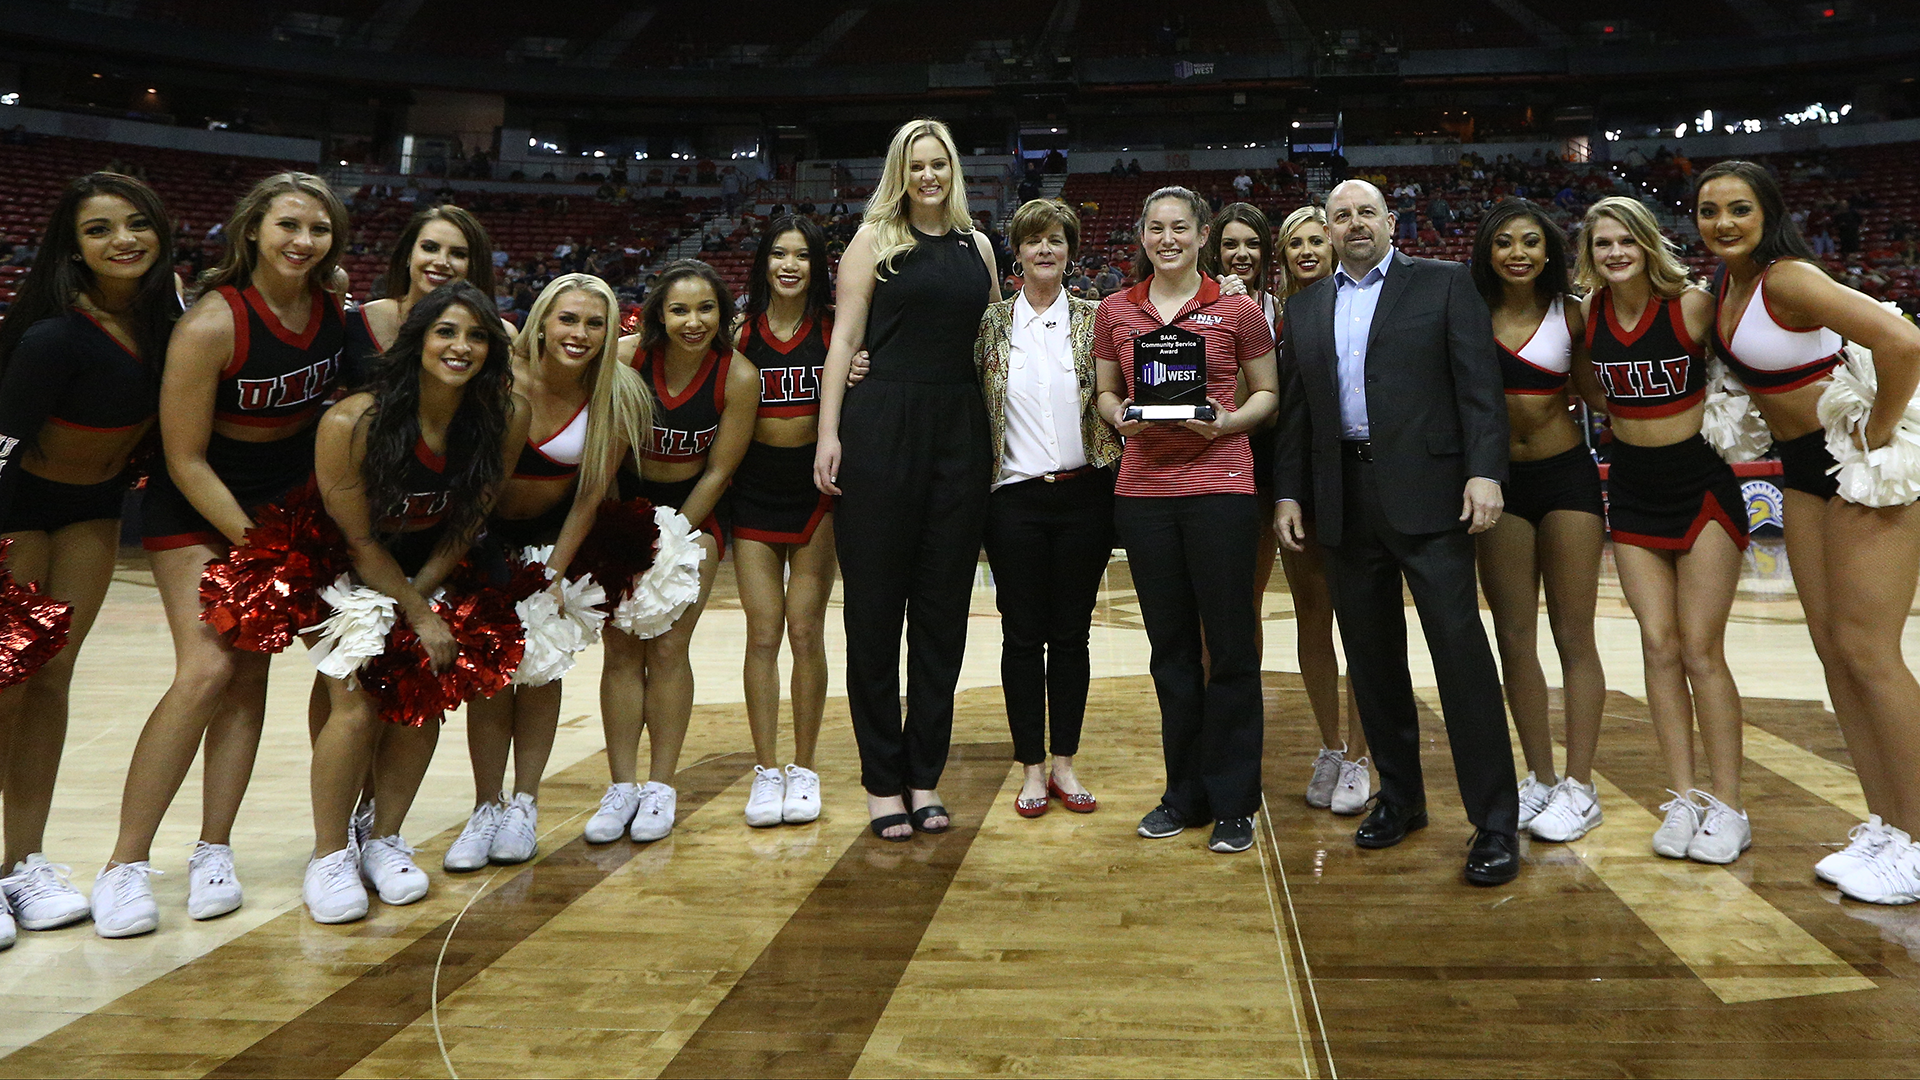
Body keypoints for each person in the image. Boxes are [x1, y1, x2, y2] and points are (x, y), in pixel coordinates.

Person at [92, 173, 351, 938]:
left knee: (252, 669)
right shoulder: (211, 323)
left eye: (319, 229)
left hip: (287, 502)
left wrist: (290, 531)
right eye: (288, 226)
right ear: (252, 231)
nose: (303, 241)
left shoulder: (332, 311)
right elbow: (183, 457)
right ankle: (125, 864)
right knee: (206, 669)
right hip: (200, 503)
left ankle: (214, 850)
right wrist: (257, 545)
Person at [1273, 179, 1520, 886]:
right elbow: (1298, 412)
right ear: (1327, 227)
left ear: (1390, 221)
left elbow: (1480, 389)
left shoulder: (1442, 285)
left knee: (1461, 661)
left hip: (1433, 495)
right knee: (1373, 662)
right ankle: (1402, 799)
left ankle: (1494, 823)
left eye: (1365, 213)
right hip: (1343, 499)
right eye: (1340, 215)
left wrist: (1484, 472)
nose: (1353, 225)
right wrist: (1289, 491)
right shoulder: (1307, 304)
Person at [1695, 161, 1920, 901]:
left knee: (1869, 651)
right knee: (1833, 654)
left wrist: (1876, 433)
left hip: (1859, 471)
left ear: (1768, 213)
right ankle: (1887, 825)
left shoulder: (1787, 278)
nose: (1723, 222)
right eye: (1708, 210)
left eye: (1738, 209)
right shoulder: (1729, 288)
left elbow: (1901, 343)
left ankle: (1919, 840)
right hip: (1802, 471)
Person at [304, 282, 528, 923]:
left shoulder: (497, 418)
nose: (461, 347)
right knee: (353, 701)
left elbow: (465, 523)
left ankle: (384, 838)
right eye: (446, 332)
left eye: (477, 336)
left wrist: (425, 599)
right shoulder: (352, 422)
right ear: (417, 340)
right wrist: (418, 612)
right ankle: (328, 855)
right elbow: (358, 539)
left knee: (421, 685)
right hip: (341, 566)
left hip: (426, 565)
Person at [0, 174, 176, 940]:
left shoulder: (168, 324)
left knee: (52, 681)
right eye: (99, 229)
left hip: (94, 512)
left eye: (136, 223)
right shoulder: (51, 336)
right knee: (5, 683)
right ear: (73, 247)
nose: (122, 240)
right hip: (15, 508)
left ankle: (24, 863)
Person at [813, 118, 999, 841]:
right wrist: (830, 432)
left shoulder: (978, 247)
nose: (928, 175)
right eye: (916, 165)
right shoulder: (873, 242)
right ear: (901, 171)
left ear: (953, 171)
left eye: (938, 164)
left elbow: (993, 349)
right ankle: (881, 781)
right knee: (874, 613)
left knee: (942, 617)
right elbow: (844, 342)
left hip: (958, 432)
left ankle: (925, 775)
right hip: (882, 426)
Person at [1094, 185, 1277, 855]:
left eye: (1180, 227)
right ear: (1142, 237)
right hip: (1143, 494)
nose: (1166, 238)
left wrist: (1227, 423)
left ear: (1203, 234)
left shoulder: (1237, 310)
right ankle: (1184, 792)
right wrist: (1122, 417)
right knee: (1170, 652)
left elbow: (1268, 395)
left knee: (1229, 649)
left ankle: (1235, 800)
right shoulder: (1116, 310)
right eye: (1155, 228)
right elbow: (1107, 392)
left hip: (1222, 488)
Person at [444, 274, 648, 871]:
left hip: (551, 544)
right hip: (480, 538)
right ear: (541, 321)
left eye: (594, 323)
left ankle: (525, 804)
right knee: (490, 677)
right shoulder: (501, 377)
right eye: (567, 319)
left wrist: (551, 574)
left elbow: (588, 497)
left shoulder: (617, 391)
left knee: (539, 671)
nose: (579, 334)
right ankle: (486, 805)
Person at [1575, 195, 1750, 863]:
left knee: (1701, 649)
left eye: (1624, 241)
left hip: (1701, 487)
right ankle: (1683, 799)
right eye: (1601, 244)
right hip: (1634, 489)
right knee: (1657, 646)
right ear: (1589, 255)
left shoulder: (1693, 306)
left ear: (1647, 242)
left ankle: (1729, 806)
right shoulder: (1587, 315)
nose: (1614, 253)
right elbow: (1589, 387)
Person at [586, 260, 756, 843]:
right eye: (679, 309)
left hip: (696, 510)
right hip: (624, 502)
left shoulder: (737, 376)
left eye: (705, 309)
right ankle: (621, 785)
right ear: (659, 312)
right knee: (620, 647)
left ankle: (661, 785)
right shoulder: (628, 358)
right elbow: (603, 453)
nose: (693, 321)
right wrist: (618, 528)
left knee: (668, 645)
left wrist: (673, 538)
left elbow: (720, 470)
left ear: (722, 314)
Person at [1469, 199, 1608, 843]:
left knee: (1573, 633)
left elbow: (1596, 393)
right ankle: (1541, 776)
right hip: (1497, 486)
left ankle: (1581, 785)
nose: (1518, 252)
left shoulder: (1572, 313)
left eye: (1530, 241)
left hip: (1566, 478)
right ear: (1488, 253)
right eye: (1504, 243)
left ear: (1549, 250)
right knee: (1514, 637)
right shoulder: (1466, 313)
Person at [977, 199, 1120, 819]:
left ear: (1070, 251)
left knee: (1072, 633)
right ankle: (1030, 767)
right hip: (1012, 499)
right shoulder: (989, 325)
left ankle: (1065, 760)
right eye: (1033, 240)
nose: (1044, 249)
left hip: (1085, 493)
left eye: (1055, 240)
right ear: (1018, 251)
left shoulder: (1098, 317)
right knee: (1020, 632)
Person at [1262, 206, 1370, 813]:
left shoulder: (1363, 309)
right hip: (1296, 481)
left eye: (1314, 240)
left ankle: (1361, 755)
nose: (1306, 251)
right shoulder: (1272, 318)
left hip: (1356, 480)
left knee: (1362, 623)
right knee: (1312, 618)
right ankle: (1331, 746)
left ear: (1333, 243)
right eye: (1293, 243)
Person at [730, 217, 837, 828]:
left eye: (801, 255)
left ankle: (804, 767)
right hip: (752, 496)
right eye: (778, 253)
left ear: (817, 265)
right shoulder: (740, 333)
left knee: (804, 631)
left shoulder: (833, 330)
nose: (789, 265)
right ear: (764, 262)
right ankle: (766, 771)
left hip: (814, 495)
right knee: (762, 632)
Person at [345, 205, 503, 381]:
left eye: (458, 254)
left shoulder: (500, 335)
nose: (441, 262)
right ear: (408, 254)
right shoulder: (357, 321)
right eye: (430, 248)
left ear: (475, 265)